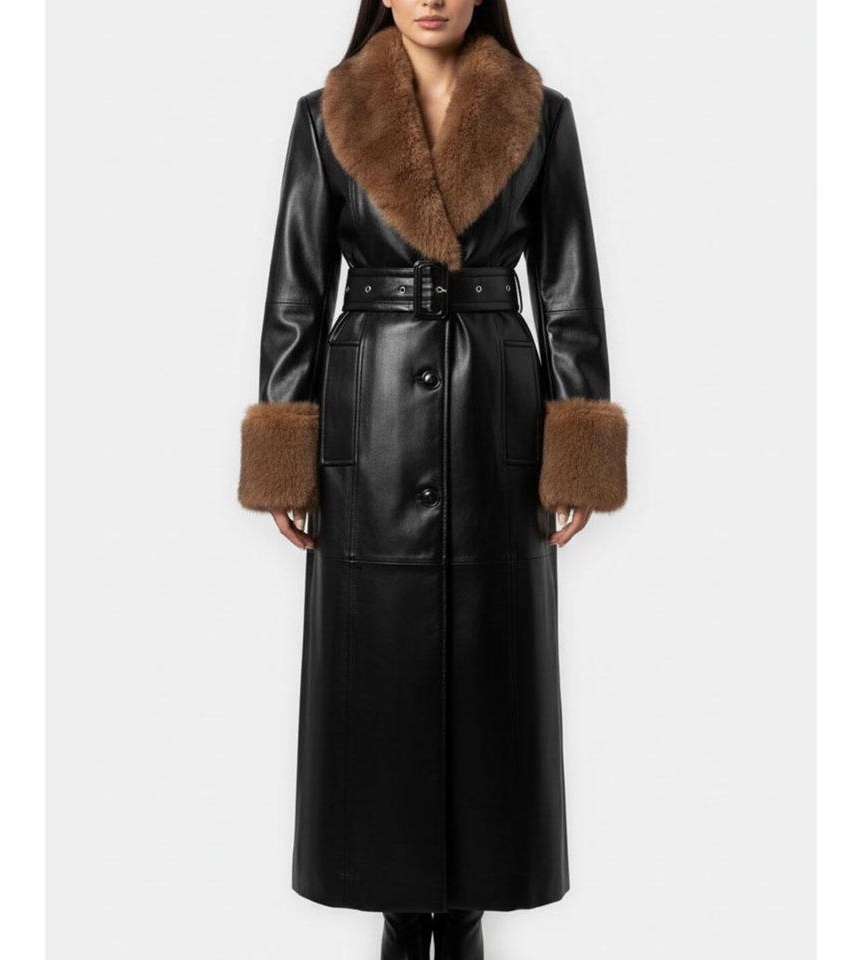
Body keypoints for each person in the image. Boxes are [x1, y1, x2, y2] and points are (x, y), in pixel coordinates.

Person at [237, 1, 628, 957]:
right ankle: (398, 916)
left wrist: (576, 442)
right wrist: (286, 447)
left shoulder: (542, 114)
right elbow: (295, 293)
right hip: (368, 428)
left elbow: (568, 292)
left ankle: (466, 917)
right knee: (377, 681)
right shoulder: (326, 114)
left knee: (492, 682)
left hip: (494, 420)